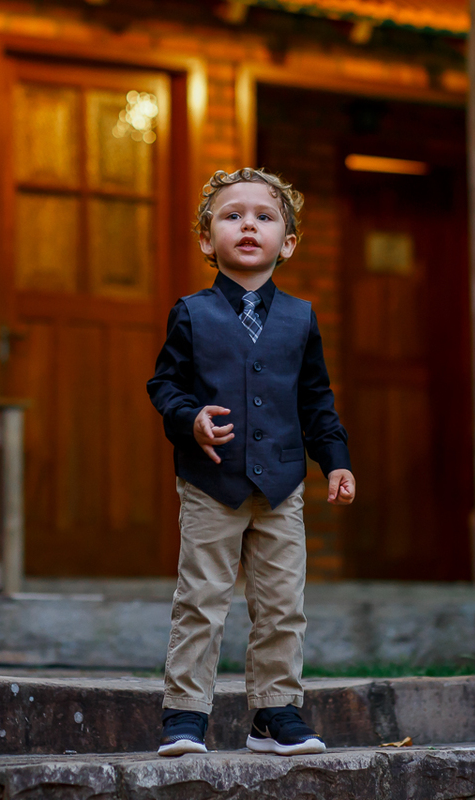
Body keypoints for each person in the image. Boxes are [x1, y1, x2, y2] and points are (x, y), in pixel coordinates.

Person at [146, 168, 355, 757]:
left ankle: (275, 712)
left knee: (283, 604)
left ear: (286, 244)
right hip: (212, 481)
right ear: (207, 240)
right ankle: (185, 714)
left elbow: (316, 399)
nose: (248, 225)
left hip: (283, 485)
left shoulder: (301, 318)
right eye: (232, 215)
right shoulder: (191, 313)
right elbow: (164, 386)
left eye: (264, 217)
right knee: (202, 599)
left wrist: (334, 460)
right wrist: (190, 419)